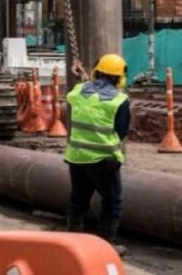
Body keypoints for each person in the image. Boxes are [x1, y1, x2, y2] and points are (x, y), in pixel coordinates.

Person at [64, 53, 131, 256]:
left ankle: (73, 244)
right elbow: (121, 131)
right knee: (112, 202)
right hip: (104, 161)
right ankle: (105, 247)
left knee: (78, 201)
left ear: (97, 71)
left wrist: (81, 76)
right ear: (120, 77)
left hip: (76, 158)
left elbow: (88, 90)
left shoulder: (77, 92)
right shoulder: (119, 101)